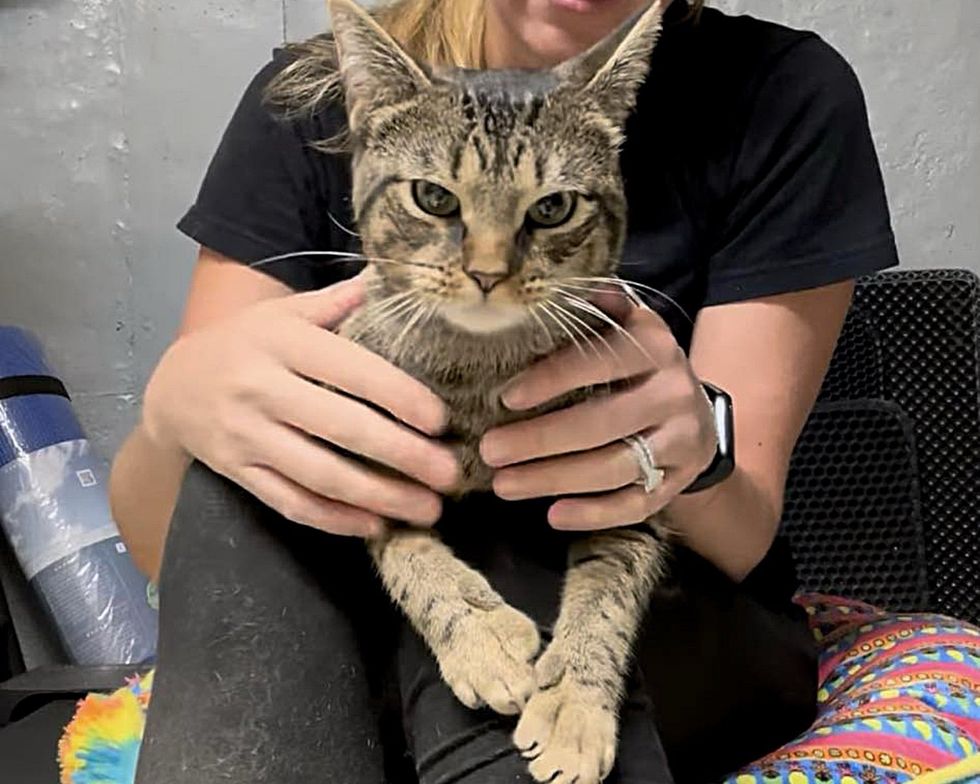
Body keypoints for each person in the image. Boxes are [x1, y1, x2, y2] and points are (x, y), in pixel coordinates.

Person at [107, 0, 900, 782]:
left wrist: (689, 452)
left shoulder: (782, 92)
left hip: (675, 628)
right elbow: (182, 552)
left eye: (549, 211)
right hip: (357, 635)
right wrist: (175, 406)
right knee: (249, 482)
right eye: (436, 202)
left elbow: (744, 531)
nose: (489, 266)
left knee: (514, 509)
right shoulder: (312, 100)